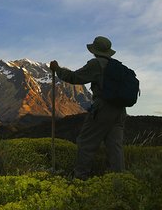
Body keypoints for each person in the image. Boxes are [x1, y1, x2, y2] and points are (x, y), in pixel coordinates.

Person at [50, 36, 126, 180]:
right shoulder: (118, 66)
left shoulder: (96, 64)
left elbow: (74, 77)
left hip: (103, 109)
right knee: (115, 147)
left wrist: (58, 69)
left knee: (85, 142)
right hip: (120, 111)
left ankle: (80, 179)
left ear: (94, 50)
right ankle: (120, 181)